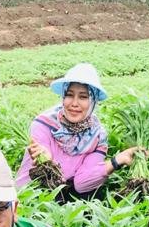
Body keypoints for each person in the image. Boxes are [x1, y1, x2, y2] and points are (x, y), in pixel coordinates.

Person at [15, 63, 142, 200]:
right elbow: (40, 174)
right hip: (32, 194)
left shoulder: (97, 136)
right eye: (69, 95)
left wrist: (117, 161)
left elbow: (82, 184)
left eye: (83, 97)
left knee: (90, 195)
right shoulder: (44, 124)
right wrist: (46, 161)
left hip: (66, 194)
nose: (74, 103)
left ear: (93, 101)